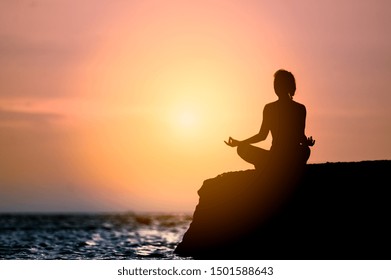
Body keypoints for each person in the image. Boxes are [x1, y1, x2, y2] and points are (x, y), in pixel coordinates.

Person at [225, 69, 315, 170]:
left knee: (305, 150)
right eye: (275, 84)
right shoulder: (293, 108)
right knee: (242, 148)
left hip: (281, 157)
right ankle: (275, 165)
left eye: (278, 84)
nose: (276, 87)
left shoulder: (294, 108)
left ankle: (268, 166)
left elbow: (299, 136)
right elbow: (263, 135)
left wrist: (240, 143)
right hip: (275, 157)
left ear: (287, 86)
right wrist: (240, 143)